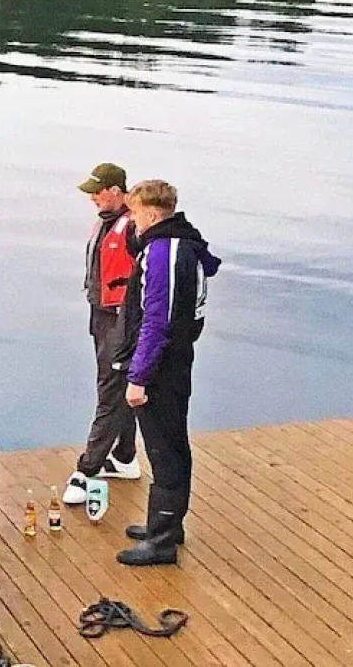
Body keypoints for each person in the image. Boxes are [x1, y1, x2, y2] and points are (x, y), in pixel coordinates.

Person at [114, 181, 220, 566]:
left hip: (163, 368)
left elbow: (158, 319)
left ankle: (161, 542)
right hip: (174, 362)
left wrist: (139, 376)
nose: (133, 222)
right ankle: (168, 524)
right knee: (171, 442)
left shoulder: (164, 252)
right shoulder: (182, 244)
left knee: (164, 448)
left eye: (137, 214)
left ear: (153, 214)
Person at [62, 163, 140, 506]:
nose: (92, 197)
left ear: (116, 190)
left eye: (98, 191)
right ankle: (124, 457)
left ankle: (87, 470)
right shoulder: (105, 222)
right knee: (111, 384)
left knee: (111, 391)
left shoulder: (133, 227)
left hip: (121, 319)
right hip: (101, 314)